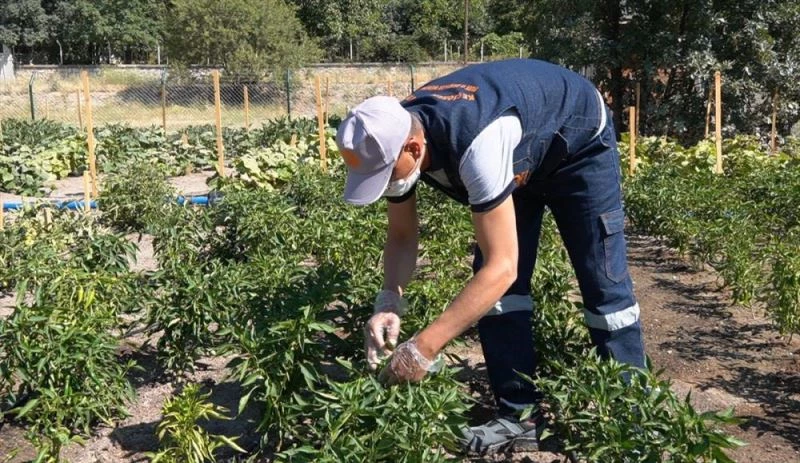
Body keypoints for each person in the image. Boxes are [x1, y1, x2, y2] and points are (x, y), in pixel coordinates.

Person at [334, 58, 646, 455]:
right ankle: (519, 417)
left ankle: (635, 420)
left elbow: (502, 267)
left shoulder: (476, 140)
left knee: (603, 286)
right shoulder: (395, 141)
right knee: (502, 296)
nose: (385, 183)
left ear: (414, 148)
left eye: (385, 174)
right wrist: (389, 299)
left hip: (576, 138)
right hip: (521, 147)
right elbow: (401, 234)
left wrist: (423, 347)